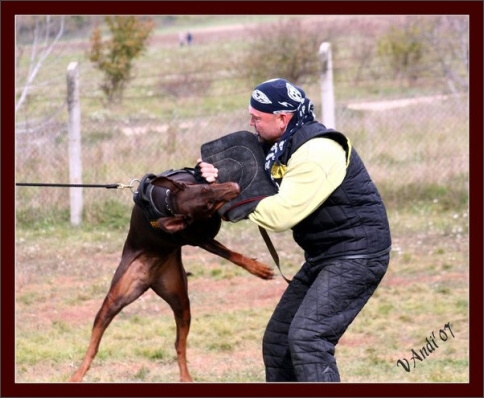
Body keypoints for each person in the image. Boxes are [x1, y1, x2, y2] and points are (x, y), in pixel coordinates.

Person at [197, 78, 391, 382]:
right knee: (278, 343)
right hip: (325, 255)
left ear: (282, 118)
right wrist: (213, 177)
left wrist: (229, 197)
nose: (251, 122)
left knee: (308, 338)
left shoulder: (318, 151)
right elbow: (244, 178)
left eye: (257, 118)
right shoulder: (279, 145)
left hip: (358, 255)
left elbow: (281, 215)